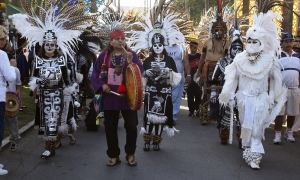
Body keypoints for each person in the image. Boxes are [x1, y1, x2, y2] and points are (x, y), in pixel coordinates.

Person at [11, 1, 97, 159]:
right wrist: (36, 89)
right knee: (46, 123)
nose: (50, 46)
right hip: (44, 95)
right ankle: (49, 146)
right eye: (47, 44)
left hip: (57, 95)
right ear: (43, 44)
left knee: (53, 121)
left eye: (52, 44)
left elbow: (67, 80)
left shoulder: (62, 61)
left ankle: (49, 147)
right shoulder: (38, 60)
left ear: (56, 44)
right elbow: (34, 78)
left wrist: (71, 96)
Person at [219, 10, 287, 169]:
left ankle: (255, 156)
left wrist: (271, 96)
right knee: (246, 124)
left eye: (255, 41)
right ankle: (248, 148)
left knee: (257, 128)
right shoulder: (239, 58)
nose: (251, 43)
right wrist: (228, 93)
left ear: (262, 42)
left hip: (260, 99)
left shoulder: (269, 59)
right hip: (243, 99)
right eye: (249, 40)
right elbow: (233, 77)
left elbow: (274, 78)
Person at [91, 29, 144, 166]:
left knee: (132, 126)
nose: (121, 41)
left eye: (123, 39)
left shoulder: (131, 54)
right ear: (111, 41)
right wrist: (102, 85)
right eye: (117, 38)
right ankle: (114, 155)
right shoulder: (104, 56)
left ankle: (130, 153)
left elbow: (140, 71)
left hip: (129, 96)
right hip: (111, 96)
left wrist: (133, 63)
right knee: (110, 126)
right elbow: (95, 74)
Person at [141, 33, 181, 151]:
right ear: (152, 46)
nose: (157, 47)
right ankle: (147, 141)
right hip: (151, 91)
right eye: (155, 45)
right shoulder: (148, 60)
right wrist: (146, 73)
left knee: (160, 117)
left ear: (163, 46)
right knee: (149, 116)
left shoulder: (169, 60)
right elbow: (141, 77)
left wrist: (168, 73)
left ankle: (156, 141)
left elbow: (176, 77)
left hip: (164, 92)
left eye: (160, 44)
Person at [210, 14, 244, 146]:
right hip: (225, 94)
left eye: (239, 48)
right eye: (234, 48)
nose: (237, 50)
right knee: (224, 115)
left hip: (240, 95)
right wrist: (213, 92)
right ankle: (224, 135)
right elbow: (214, 79)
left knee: (241, 117)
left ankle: (242, 138)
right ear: (230, 49)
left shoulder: (246, 64)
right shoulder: (222, 61)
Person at [195, 4, 229, 125]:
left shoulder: (227, 44)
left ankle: (215, 116)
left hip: (220, 70)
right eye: (216, 29)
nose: (219, 32)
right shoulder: (207, 43)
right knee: (206, 92)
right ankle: (204, 116)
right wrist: (198, 72)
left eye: (221, 29)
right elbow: (202, 57)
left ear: (224, 31)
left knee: (218, 93)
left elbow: (228, 59)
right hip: (207, 69)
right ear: (213, 30)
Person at [273, 32, 300, 144]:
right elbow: (272, 73)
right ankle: (277, 135)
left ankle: (289, 132)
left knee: (292, 112)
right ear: (282, 43)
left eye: (291, 41)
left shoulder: (297, 56)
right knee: (279, 113)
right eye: (286, 41)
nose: (289, 43)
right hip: (281, 89)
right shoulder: (277, 55)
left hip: (294, 88)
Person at [0, 25, 17, 176]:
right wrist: (12, 68)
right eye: (4, 39)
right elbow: (10, 77)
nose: (5, 42)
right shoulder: (2, 55)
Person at [5, 59, 22, 151]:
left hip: (10, 99)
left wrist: (17, 92)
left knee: (11, 120)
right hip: (1, 97)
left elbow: (18, 83)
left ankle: (14, 140)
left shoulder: (14, 70)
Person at [187, 41, 201, 117]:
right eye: (193, 47)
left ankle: (198, 109)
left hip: (198, 78)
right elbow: (185, 67)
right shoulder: (188, 57)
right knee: (190, 95)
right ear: (190, 47)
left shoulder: (199, 56)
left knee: (198, 94)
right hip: (190, 78)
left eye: (196, 47)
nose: (195, 49)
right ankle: (191, 110)